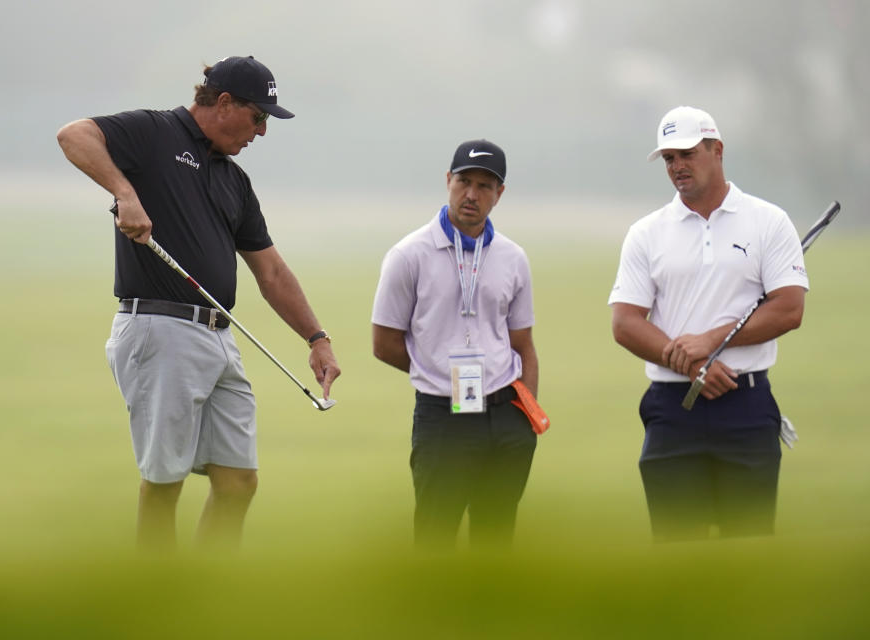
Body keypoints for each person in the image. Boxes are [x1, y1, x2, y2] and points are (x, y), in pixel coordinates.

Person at [56, 55, 340, 550]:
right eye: (259, 117)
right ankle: (160, 606)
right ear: (224, 102)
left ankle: (210, 598)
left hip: (218, 338)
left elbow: (270, 271)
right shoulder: (155, 132)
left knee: (238, 482)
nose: (262, 132)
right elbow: (73, 135)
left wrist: (316, 338)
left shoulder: (234, 180)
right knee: (164, 483)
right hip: (159, 329)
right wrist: (125, 192)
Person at [608, 106, 809, 541]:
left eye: (686, 154)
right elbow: (625, 322)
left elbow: (789, 308)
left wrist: (711, 340)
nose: (677, 166)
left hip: (746, 404)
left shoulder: (767, 221)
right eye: (668, 159)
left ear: (716, 150)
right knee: (678, 551)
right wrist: (689, 364)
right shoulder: (647, 232)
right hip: (672, 409)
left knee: (748, 547)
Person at [371, 139, 540, 550]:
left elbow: (523, 345)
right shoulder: (409, 255)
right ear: (448, 180)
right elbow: (385, 342)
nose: (472, 194)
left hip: (506, 417)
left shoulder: (512, 258)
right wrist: (435, 370)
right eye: (464, 181)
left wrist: (528, 418)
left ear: (499, 194)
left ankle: (490, 615)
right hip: (443, 417)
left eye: (485, 186)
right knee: (435, 538)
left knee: (496, 539)